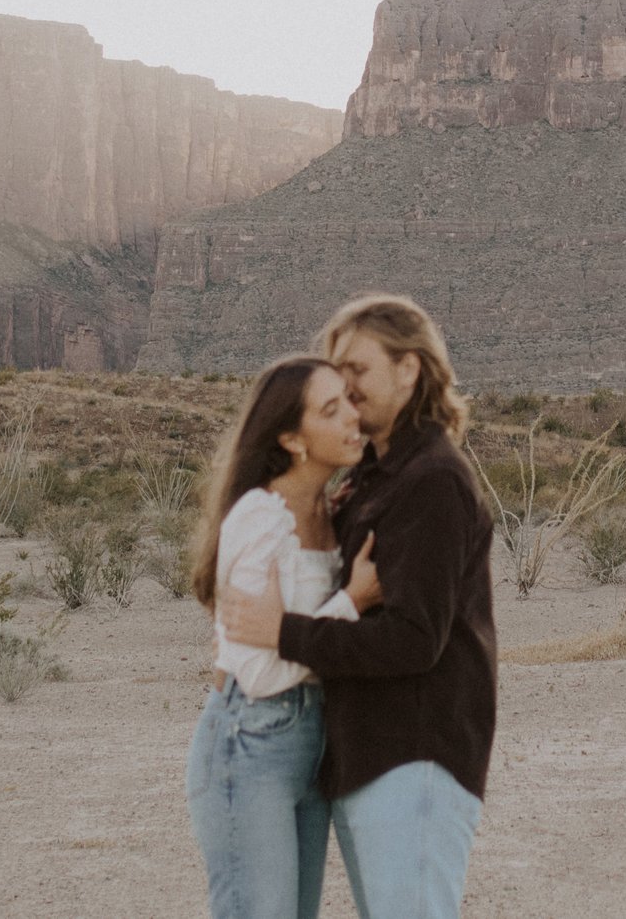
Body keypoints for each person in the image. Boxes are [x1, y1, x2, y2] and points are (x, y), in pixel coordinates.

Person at [217, 296, 495, 919]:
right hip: (372, 755)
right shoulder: (377, 476)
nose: (346, 387)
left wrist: (283, 633)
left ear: (409, 370)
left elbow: (412, 638)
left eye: (358, 370)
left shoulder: (431, 479)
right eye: (336, 375)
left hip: (415, 755)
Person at [186, 356, 381, 919]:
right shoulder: (259, 518)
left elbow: (292, 644)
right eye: (331, 408)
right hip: (252, 740)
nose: (353, 416)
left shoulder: (333, 511)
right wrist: (352, 602)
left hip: (315, 740)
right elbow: (262, 671)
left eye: (349, 398)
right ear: (293, 439)